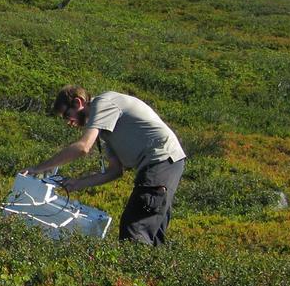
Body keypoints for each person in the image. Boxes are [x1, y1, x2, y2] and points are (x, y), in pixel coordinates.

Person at [24, 86, 186, 245]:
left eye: (67, 115)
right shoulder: (106, 130)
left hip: (161, 160)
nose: (69, 122)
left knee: (134, 229)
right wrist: (77, 183)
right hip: (167, 164)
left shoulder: (103, 102)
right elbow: (114, 171)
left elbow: (83, 147)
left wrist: (38, 168)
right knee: (152, 233)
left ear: (78, 102)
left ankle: (132, 269)